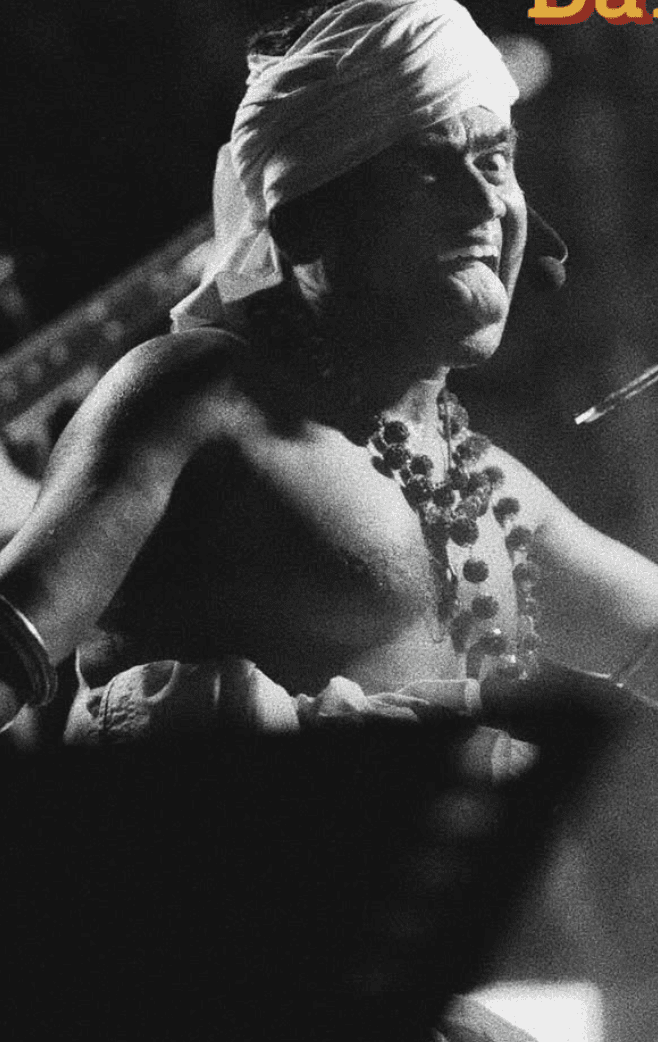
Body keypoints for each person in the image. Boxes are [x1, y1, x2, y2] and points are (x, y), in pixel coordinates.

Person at [1, 0, 658, 1037]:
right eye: (437, 166)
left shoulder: (483, 487)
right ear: (308, 217)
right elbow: (13, 634)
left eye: (500, 162)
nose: (491, 200)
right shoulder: (200, 393)